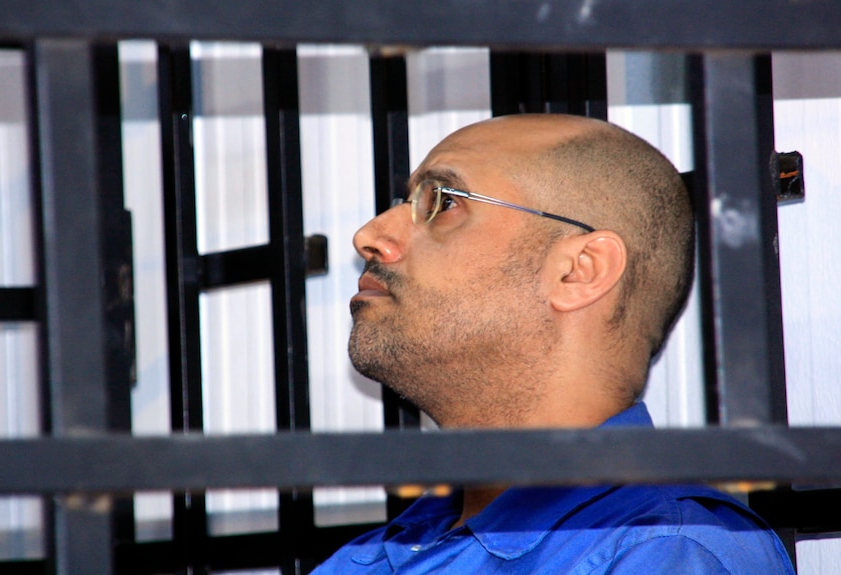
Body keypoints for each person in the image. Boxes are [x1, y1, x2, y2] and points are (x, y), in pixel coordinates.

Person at [313, 114, 795, 574]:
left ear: (579, 270)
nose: (370, 235)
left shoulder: (667, 549)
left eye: (442, 202)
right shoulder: (366, 560)